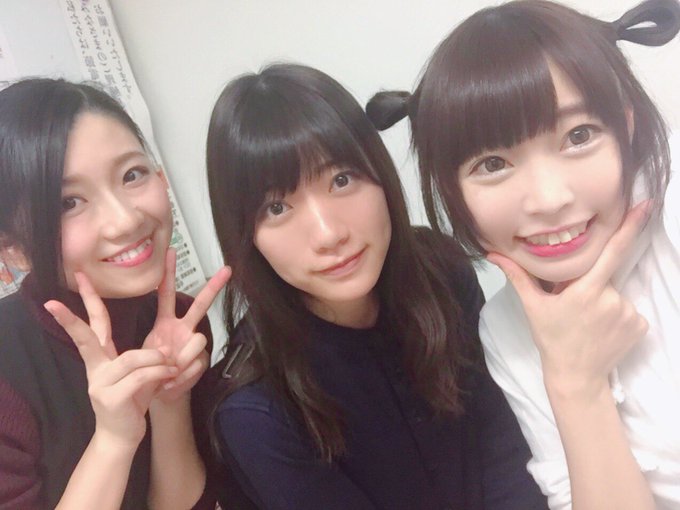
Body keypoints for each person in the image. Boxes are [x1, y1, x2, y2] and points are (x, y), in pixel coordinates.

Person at [366, 0, 680, 508]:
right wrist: (576, 384)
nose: (549, 199)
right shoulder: (505, 330)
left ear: (626, 129)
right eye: (493, 164)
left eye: (579, 136)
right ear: (451, 190)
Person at [198, 63, 548, 510]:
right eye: (277, 208)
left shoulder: (441, 273)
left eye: (341, 180)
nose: (329, 234)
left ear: (378, 171)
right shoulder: (256, 411)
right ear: (245, 235)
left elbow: (506, 453)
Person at [0, 78, 229, 509]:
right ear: (12, 248)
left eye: (131, 174)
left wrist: (169, 400)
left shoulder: (177, 322)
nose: (125, 220)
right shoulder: (8, 368)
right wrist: (113, 440)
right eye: (68, 203)